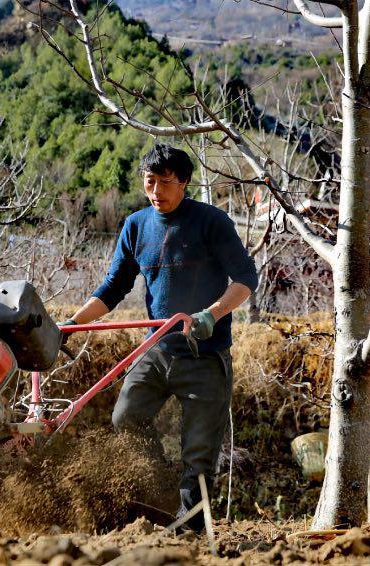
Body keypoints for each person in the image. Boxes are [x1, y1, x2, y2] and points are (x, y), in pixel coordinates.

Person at [61, 143, 258, 530]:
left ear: (183, 182)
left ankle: (192, 529)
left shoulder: (210, 222)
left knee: (199, 452)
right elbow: (113, 288)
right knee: (126, 418)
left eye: (166, 183)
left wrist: (212, 314)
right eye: (150, 182)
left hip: (205, 352)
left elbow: (245, 280)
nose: (156, 192)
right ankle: (161, 493)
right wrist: (71, 323)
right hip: (157, 350)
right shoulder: (136, 226)